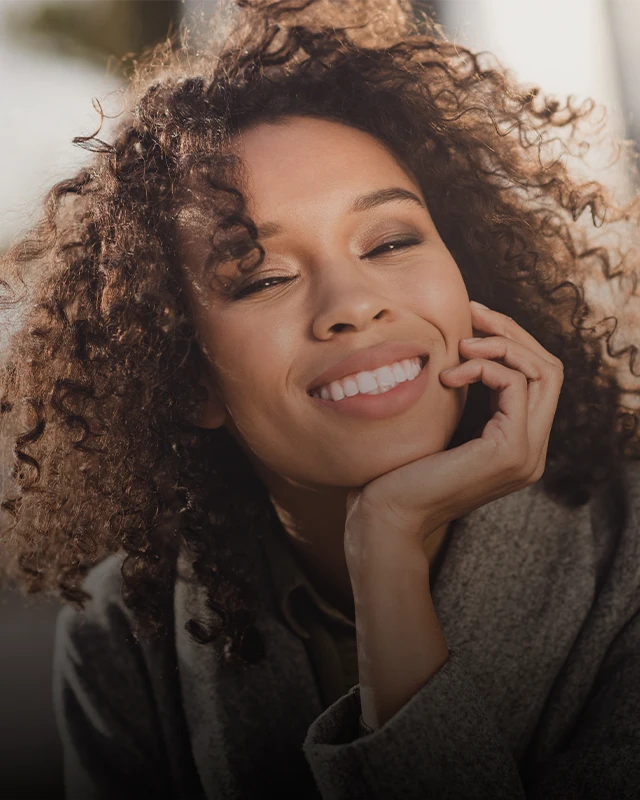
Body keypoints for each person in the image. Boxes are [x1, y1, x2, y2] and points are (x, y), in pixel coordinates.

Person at [1, 0, 640, 797]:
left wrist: (389, 541)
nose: (352, 303)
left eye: (392, 241)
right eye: (263, 278)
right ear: (186, 377)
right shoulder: (123, 636)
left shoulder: (630, 561)